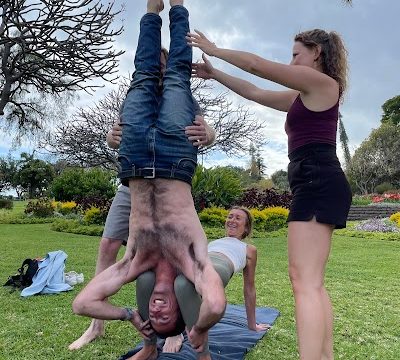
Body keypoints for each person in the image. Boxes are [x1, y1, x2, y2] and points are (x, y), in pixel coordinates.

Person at [71, 0, 226, 357]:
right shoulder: (192, 261)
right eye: (164, 315)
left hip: (137, 159)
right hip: (174, 155)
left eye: (151, 317)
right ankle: (177, 7)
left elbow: (83, 302)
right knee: (177, 75)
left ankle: (151, 10)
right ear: (178, 311)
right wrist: (198, 330)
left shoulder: (133, 263)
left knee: (142, 74)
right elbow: (215, 305)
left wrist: (128, 315)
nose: (156, 310)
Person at [187, 28, 352, 360]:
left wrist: (215, 50)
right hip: (315, 181)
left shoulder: (323, 84)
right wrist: (214, 73)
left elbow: (256, 65)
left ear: (316, 52)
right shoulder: (303, 95)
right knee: (312, 282)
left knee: (304, 281)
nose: (292, 61)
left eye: (295, 54)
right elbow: (254, 91)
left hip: (317, 179)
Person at [133, 206, 271, 359]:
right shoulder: (213, 241)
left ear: (246, 228)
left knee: (183, 284)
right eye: (230, 216)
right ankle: (150, 346)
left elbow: (249, 288)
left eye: (238, 218)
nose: (232, 220)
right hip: (197, 262)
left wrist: (252, 324)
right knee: (146, 279)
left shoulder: (248, 249)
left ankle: (203, 355)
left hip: (220, 266)